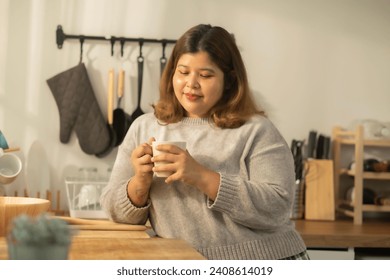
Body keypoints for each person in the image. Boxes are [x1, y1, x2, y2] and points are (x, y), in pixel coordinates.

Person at [100, 24, 308, 260]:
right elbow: (114, 212)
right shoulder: (144, 127)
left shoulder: (256, 130)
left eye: (206, 75)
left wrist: (201, 176)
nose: (191, 84)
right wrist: (140, 183)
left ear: (229, 80)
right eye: (183, 72)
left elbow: (278, 208)